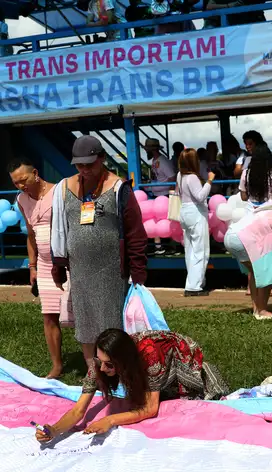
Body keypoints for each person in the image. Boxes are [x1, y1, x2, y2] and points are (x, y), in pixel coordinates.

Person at [50, 136, 148, 368]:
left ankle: (117, 370)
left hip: (112, 271)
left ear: (102, 158)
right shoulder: (63, 188)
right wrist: (59, 264)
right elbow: (58, 229)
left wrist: (138, 271)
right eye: (79, 165)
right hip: (80, 270)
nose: (84, 170)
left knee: (111, 322)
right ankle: (92, 373)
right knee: (85, 322)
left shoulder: (118, 187)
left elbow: (135, 232)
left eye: (90, 164)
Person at [34, 328, 228, 442]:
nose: (102, 368)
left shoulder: (151, 356)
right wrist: (54, 430)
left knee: (192, 399)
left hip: (180, 355)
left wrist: (110, 420)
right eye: (100, 361)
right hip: (145, 366)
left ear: (123, 362)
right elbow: (78, 411)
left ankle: (207, 374)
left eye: (109, 364)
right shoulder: (100, 362)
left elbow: (150, 409)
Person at [9, 158, 66, 378]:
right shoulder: (22, 199)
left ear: (35, 173)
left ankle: (93, 363)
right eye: (16, 183)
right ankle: (57, 366)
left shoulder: (59, 192)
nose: (21, 185)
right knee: (49, 315)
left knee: (80, 314)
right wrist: (32, 266)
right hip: (43, 265)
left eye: (23, 180)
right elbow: (30, 234)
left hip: (67, 261)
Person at [224, 146, 272, 320]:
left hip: (247, 218)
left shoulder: (246, 173)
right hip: (267, 221)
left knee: (254, 271)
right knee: (265, 268)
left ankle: (256, 308)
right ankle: (262, 309)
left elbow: (243, 197)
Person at [177, 149, 215, 297]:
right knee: (201, 250)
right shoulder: (192, 177)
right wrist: (209, 181)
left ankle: (193, 282)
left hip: (185, 211)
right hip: (196, 212)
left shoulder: (180, 175)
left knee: (190, 250)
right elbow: (200, 197)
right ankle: (195, 286)